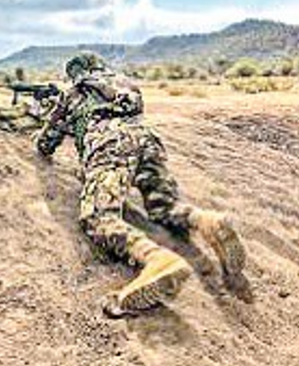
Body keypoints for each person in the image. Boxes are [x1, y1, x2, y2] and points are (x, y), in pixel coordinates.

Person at [34, 53, 246, 316]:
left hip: (110, 147)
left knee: (98, 218)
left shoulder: (72, 93)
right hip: (148, 141)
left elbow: (46, 144)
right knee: (164, 207)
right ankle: (208, 221)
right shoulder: (124, 83)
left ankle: (157, 260)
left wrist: (53, 118)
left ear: (74, 73)